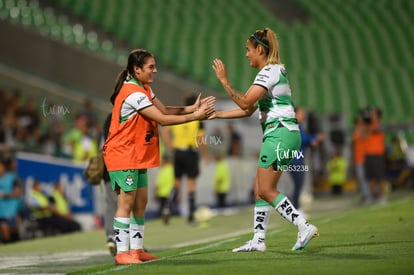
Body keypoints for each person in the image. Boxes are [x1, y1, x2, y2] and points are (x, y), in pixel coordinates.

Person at [102, 49, 215, 265]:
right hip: (122, 153)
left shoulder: (144, 88)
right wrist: (195, 116)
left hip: (136, 154)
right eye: (150, 67)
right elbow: (163, 119)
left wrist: (192, 108)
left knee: (140, 201)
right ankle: (122, 253)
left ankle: (136, 250)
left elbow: (164, 109)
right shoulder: (133, 93)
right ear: (137, 69)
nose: (155, 70)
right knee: (125, 202)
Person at [211, 28, 319, 252]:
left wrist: (224, 80)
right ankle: (258, 240)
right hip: (282, 133)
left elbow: (244, 102)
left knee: (267, 189)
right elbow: (248, 109)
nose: (246, 54)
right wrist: (218, 114)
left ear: (260, 49)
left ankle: (303, 225)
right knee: (259, 189)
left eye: (248, 50)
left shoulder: (268, 72)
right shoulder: (273, 72)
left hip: (280, 133)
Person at [161, 94, 209, 225]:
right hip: (191, 152)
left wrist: (171, 147)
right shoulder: (198, 119)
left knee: (176, 183)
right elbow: (200, 139)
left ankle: (167, 207)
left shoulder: (178, 115)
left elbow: (164, 132)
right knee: (191, 185)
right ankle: (191, 216)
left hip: (178, 152)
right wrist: (205, 155)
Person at [289, 107, 324, 214]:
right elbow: (302, 139)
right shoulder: (294, 125)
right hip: (295, 160)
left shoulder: (297, 126)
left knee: (297, 185)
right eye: (301, 113)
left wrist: (312, 140)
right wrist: (315, 137)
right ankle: (296, 210)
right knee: (298, 185)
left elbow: (304, 140)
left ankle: (295, 208)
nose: (303, 115)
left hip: (295, 160)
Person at [101, 112, 118, 256]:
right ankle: (128, 242)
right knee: (125, 203)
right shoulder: (124, 114)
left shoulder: (108, 118)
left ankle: (111, 236)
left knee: (110, 204)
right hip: (121, 162)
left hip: (107, 164)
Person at [0, 158, 23, 243]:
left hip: (10, 210)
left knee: (13, 232)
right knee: (4, 230)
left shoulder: (12, 178)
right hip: (1, 211)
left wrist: (4, 195)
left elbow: (17, 193)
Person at [352, 115, 370, 203]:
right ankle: (365, 195)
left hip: (367, 158)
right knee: (361, 178)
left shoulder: (366, 131)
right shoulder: (356, 132)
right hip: (359, 159)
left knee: (367, 178)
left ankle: (368, 195)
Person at [154, 153, 174, 220]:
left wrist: (155, 193)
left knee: (162, 209)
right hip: (171, 193)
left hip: (162, 194)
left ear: (165, 160)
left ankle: (164, 216)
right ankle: (166, 215)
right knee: (168, 208)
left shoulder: (164, 170)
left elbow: (158, 183)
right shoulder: (172, 169)